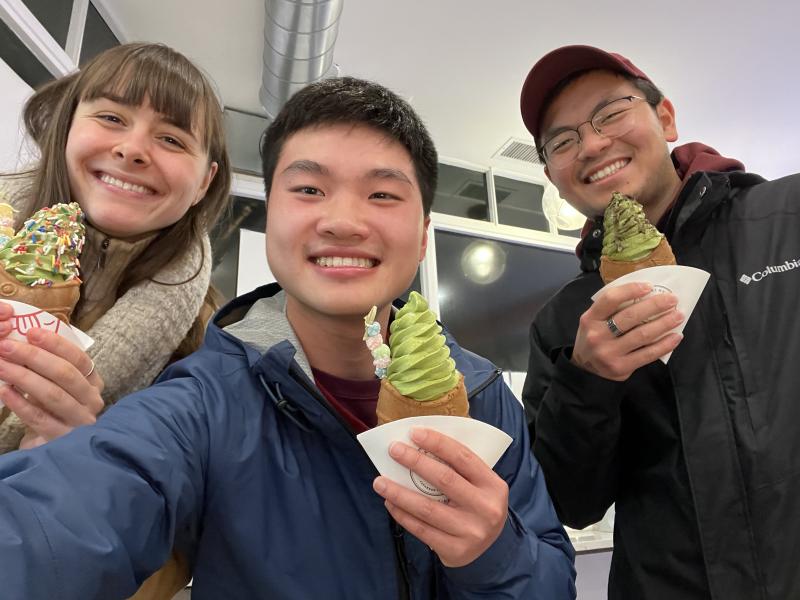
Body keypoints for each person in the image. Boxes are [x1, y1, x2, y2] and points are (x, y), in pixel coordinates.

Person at [0, 76, 576, 599]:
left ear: (424, 235)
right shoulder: (205, 398)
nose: (344, 220)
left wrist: (494, 552)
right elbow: (65, 519)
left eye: (382, 195)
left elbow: (553, 578)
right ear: (270, 216)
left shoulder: (479, 393)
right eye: (308, 190)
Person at [519, 44, 800, 599]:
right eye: (563, 140)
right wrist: (588, 381)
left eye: (611, 113)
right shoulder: (565, 320)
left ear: (665, 118)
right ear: (554, 177)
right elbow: (569, 503)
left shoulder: (788, 219)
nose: (593, 144)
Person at [0, 42, 231, 598]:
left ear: (204, 181)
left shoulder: (211, 348)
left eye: (172, 139)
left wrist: (83, 477)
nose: (131, 149)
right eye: (110, 117)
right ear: (66, 126)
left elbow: (179, 556)